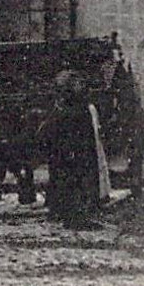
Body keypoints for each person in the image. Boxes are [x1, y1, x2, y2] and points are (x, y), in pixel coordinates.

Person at [45, 70, 104, 229]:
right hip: (73, 152)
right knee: (73, 180)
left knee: (67, 178)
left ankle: (64, 212)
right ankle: (74, 217)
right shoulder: (73, 111)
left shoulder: (63, 109)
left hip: (69, 151)